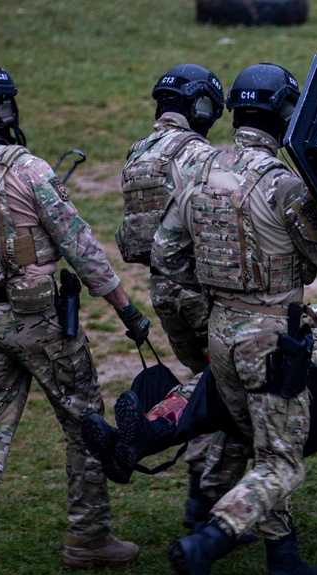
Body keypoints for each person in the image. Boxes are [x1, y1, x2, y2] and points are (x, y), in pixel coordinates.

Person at [0, 62, 150, 575]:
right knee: (84, 422)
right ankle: (87, 538)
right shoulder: (27, 169)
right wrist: (124, 308)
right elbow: (81, 247)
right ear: (1, 109)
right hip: (41, 323)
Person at [156, 63, 317, 575]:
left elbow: (168, 256)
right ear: (286, 115)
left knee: (258, 442)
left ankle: (283, 561)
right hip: (272, 335)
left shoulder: (195, 169)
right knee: (283, 460)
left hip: (220, 331)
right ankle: (208, 543)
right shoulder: (283, 184)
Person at [116, 63, 246, 534]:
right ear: (204, 108)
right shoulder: (198, 155)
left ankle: (194, 482)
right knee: (229, 391)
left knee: (206, 384)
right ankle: (208, 500)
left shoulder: (138, 153)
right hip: (202, 289)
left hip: (163, 292)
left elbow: (130, 241)